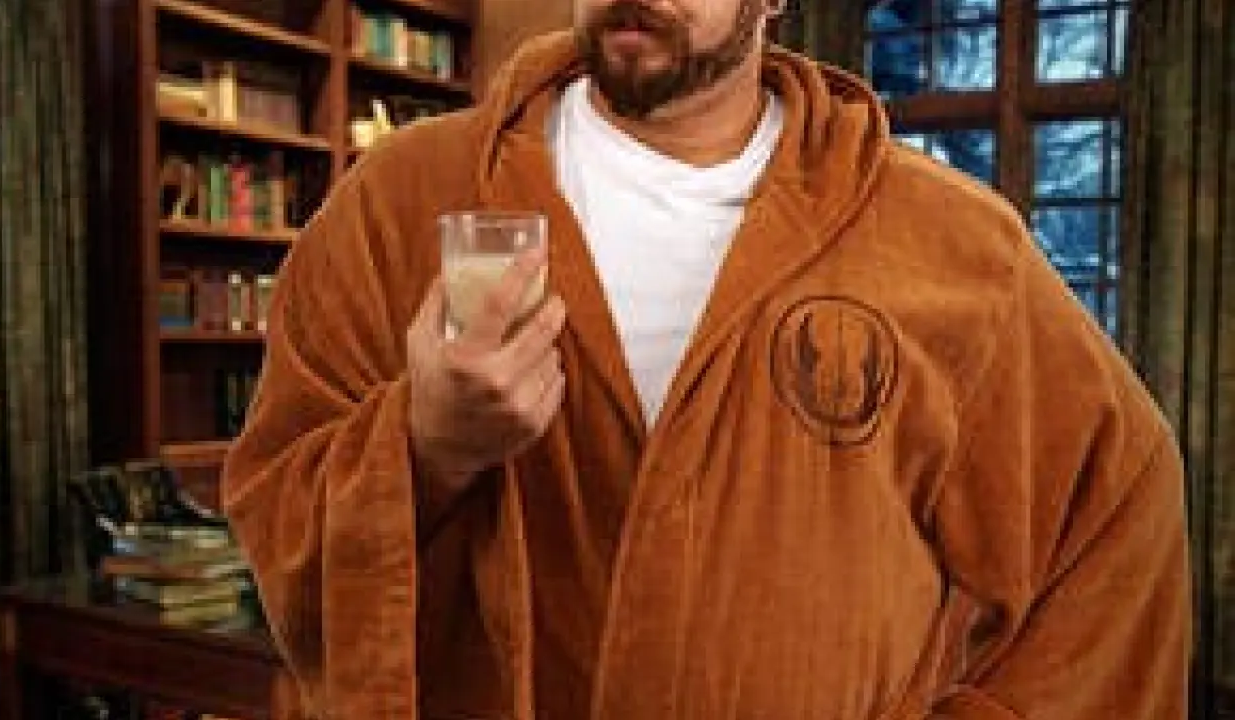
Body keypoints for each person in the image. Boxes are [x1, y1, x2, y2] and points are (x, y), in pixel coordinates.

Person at [220, 0, 1192, 717]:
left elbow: (1114, 511)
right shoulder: (400, 200)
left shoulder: (949, 241)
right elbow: (274, 514)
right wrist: (426, 445)